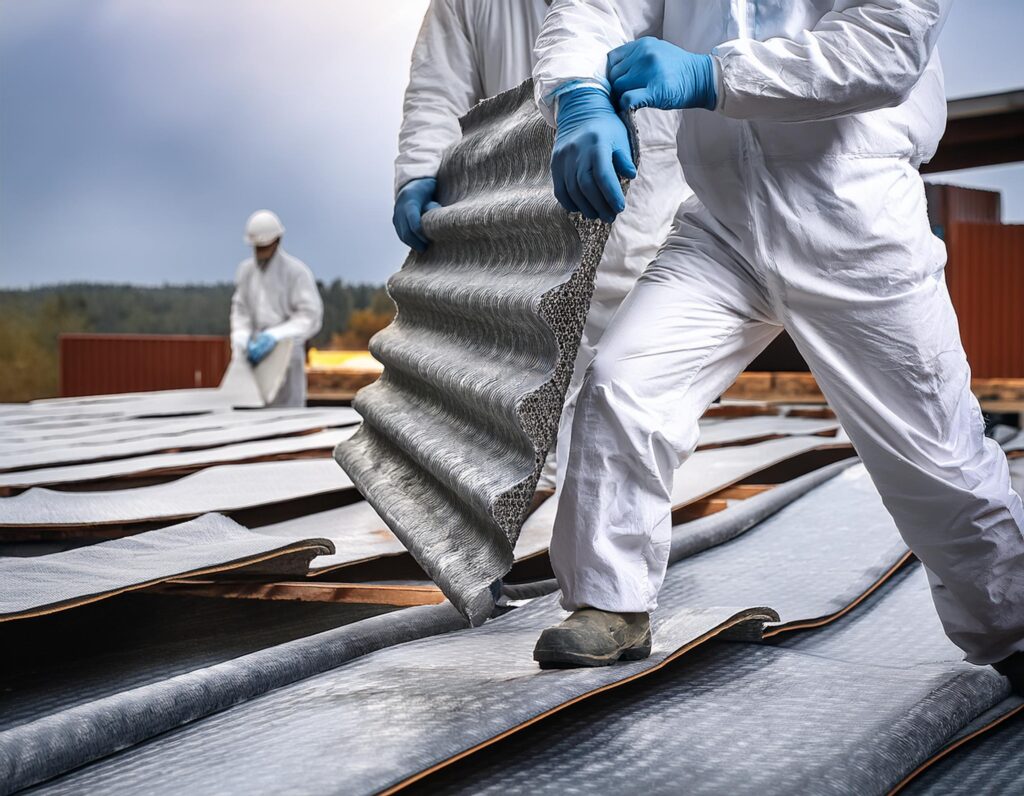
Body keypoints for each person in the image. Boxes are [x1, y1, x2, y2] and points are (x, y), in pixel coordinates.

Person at [528, 0, 1024, 690]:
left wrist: (713, 75)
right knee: (622, 383)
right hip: (720, 221)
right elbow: (595, 7)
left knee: (934, 454)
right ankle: (609, 603)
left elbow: (886, 44)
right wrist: (578, 95)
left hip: (851, 217)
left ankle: (1014, 629)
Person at [393, 0, 692, 501]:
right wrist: (420, 170)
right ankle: (530, 542)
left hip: (641, 210)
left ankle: (607, 541)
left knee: (628, 397)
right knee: (522, 387)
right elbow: (437, 90)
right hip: (518, 221)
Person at [230, 210, 323, 408]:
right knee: (250, 416)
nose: (260, 252)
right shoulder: (246, 272)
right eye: (257, 247)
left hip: (287, 356)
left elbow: (310, 316)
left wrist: (275, 336)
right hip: (253, 357)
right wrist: (241, 339)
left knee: (287, 420)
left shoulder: (296, 273)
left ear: (277, 241)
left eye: (264, 246)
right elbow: (240, 311)